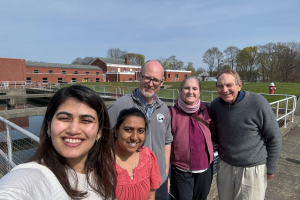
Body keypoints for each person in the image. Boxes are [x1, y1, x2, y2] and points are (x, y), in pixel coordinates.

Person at [0, 85, 117, 199]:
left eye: (86, 120)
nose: (73, 130)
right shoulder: (34, 175)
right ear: (48, 126)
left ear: (99, 132)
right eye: (64, 118)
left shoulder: (104, 174)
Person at [210, 69, 282, 200]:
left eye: (229, 85)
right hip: (225, 166)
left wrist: (270, 168)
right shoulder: (215, 106)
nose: (225, 90)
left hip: (252, 169)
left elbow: (274, 138)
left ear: (239, 85)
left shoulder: (258, 103)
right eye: (220, 86)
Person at [108, 60, 173, 200]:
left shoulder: (164, 109)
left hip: (159, 181)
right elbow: (103, 138)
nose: (150, 83)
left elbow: (167, 141)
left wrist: (165, 172)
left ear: (161, 83)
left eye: (156, 80)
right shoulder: (120, 106)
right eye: (147, 78)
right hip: (131, 182)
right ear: (139, 76)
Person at [169, 76, 216, 200]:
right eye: (187, 88)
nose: (191, 91)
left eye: (195, 88)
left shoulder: (206, 109)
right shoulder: (171, 113)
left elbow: (215, 135)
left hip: (205, 169)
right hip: (181, 171)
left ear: (199, 92)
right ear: (181, 90)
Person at [114, 108, 161, 200]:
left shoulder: (148, 156)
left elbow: (151, 193)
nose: (134, 137)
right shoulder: (101, 160)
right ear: (116, 131)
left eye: (140, 131)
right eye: (128, 130)